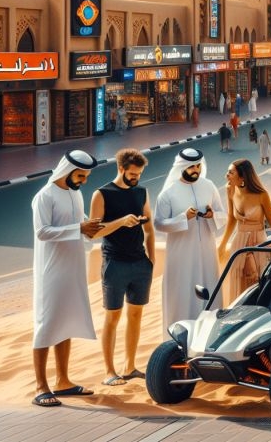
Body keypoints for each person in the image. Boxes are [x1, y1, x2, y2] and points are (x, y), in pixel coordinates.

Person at [30, 150, 105, 407]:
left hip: (73, 268)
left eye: (85, 176)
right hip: (50, 271)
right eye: (80, 175)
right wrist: (79, 228)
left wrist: (90, 227)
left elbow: (80, 225)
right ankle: (41, 386)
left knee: (65, 323)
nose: (83, 180)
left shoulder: (76, 193)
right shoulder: (45, 196)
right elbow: (42, 232)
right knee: (47, 324)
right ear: (67, 171)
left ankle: (63, 381)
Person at [88, 149, 155, 387]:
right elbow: (93, 233)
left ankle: (129, 367)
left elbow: (149, 228)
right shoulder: (102, 194)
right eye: (133, 174)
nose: (136, 178)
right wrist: (120, 222)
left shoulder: (141, 192)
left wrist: (152, 259)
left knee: (135, 316)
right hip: (114, 263)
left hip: (140, 263)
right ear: (121, 169)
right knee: (112, 317)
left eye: (139, 174)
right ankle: (109, 371)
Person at [155, 148, 224, 337]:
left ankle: (210, 337)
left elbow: (222, 214)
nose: (196, 170)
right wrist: (182, 218)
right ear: (182, 167)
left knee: (210, 289)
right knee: (182, 294)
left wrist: (212, 216)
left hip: (207, 252)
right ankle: (178, 338)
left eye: (198, 166)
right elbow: (158, 224)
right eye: (192, 166)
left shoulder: (209, 186)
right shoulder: (168, 193)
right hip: (181, 254)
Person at [216, 159, 271, 304]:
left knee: (258, 282)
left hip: (258, 245)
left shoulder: (262, 195)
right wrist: (223, 244)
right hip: (239, 244)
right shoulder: (230, 190)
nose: (227, 175)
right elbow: (231, 219)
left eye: (230, 172)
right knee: (238, 282)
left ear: (242, 177)